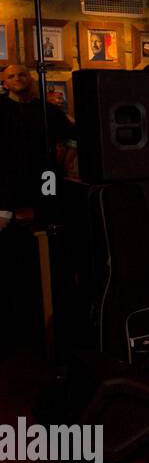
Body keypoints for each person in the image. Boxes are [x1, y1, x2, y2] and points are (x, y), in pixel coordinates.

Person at [0, 64, 76, 348]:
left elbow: (74, 134)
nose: (17, 79)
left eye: (21, 74)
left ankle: (44, 329)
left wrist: (66, 162)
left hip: (42, 189)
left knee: (44, 260)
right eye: (11, 76)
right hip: (6, 192)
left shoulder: (46, 110)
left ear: (30, 78)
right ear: (4, 83)